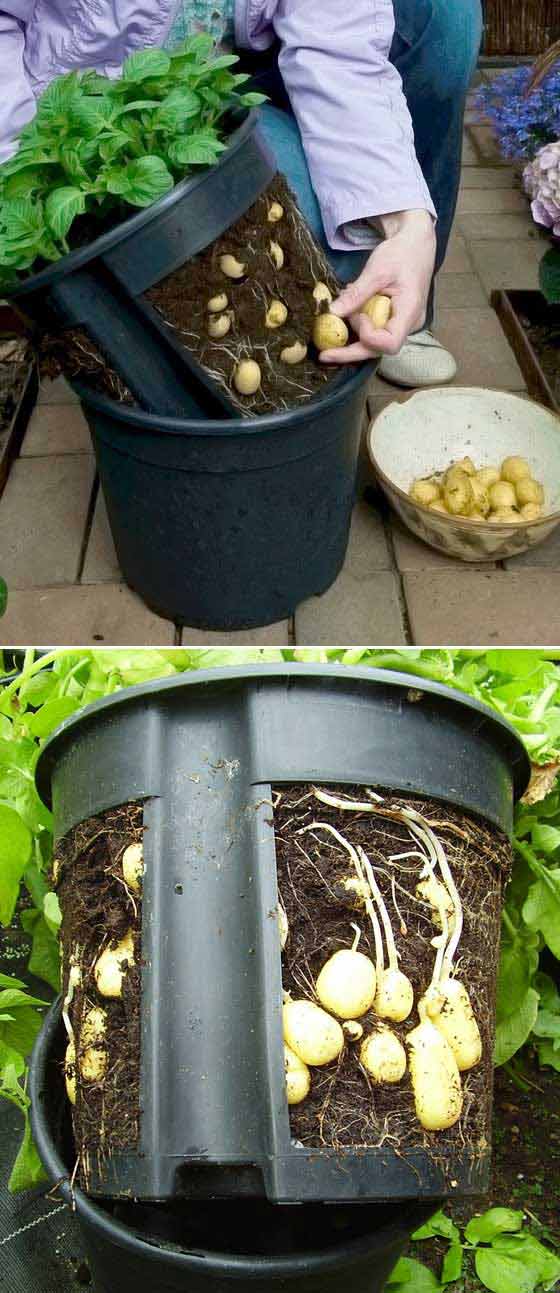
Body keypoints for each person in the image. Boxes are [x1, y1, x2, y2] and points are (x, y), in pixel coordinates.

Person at [0, 1, 481, 387]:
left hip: (241, 67)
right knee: (280, 228)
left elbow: (339, 47)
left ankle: (400, 299)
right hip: (109, 102)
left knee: (443, 14)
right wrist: (29, 173)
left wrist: (406, 222)